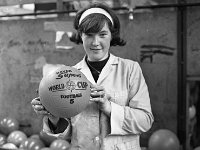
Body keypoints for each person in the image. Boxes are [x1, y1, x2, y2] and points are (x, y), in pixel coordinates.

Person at [31, 2, 154, 150]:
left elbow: (145, 121)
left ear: (111, 35)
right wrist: (54, 116)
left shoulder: (130, 69)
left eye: (102, 34)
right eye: (89, 35)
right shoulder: (69, 75)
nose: (96, 42)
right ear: (81, 36)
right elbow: (70, 133)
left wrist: (109, 107)